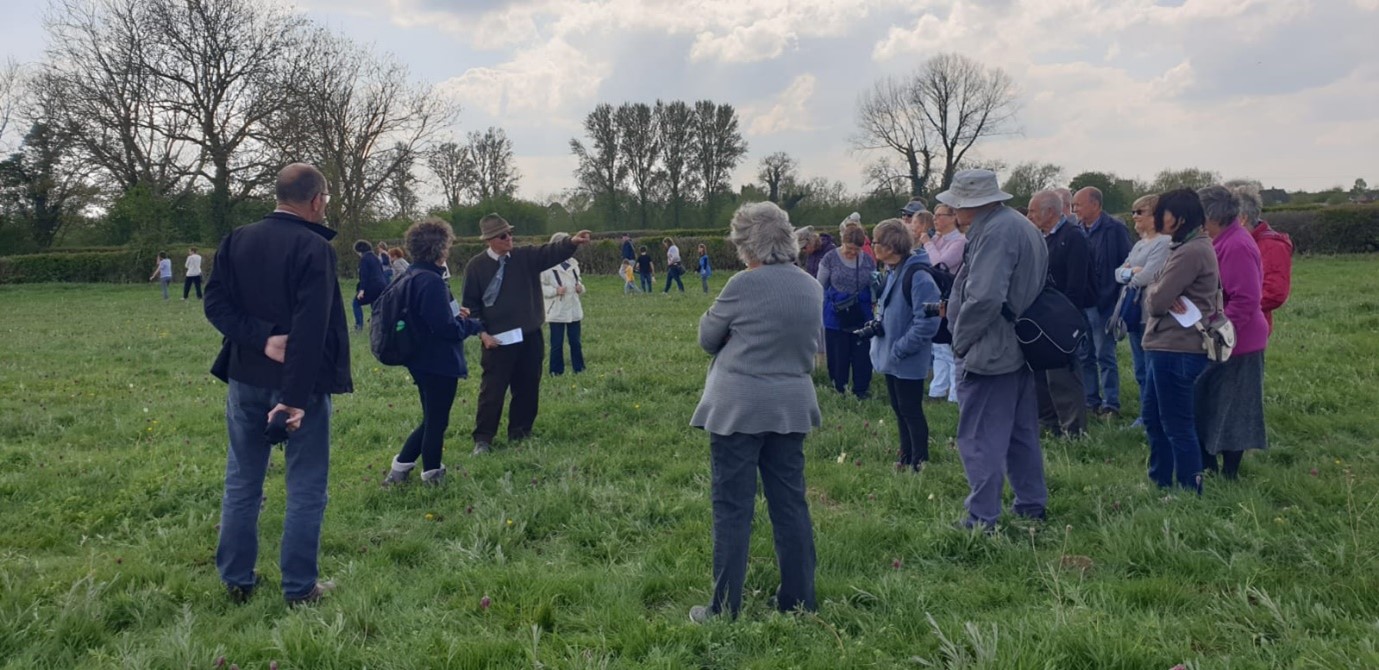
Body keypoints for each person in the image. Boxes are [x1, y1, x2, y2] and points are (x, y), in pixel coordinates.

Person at [203, 163, 352, 606]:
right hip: (298, 388)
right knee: (306, 485)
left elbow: (215, 304)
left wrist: (257, 337)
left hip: (245, 378)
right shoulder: (314, 248)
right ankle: (299, 588)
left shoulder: (237, 239)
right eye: (326, 199)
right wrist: (292, 399)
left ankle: (235, 580)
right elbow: (311, 329)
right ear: (317, 200)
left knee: (242, 481)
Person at [688, 201, 820, 622]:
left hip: (738, 408)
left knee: (732, 507)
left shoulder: (743, 284)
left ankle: (724, 607)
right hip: (791, 405)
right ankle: (799, 599)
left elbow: (709, 338)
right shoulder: (810, 286)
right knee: (791, 505)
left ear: (747, 245)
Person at [941, 169, 1049, 531]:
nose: (954, 211)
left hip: (991, 348)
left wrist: (961, 339)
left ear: (971, 205)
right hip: (1019, 346)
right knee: (1020, 434)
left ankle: (981, 519)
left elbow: (985, 296)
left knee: (980, 436)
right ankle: (1031, 504)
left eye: (957, 204)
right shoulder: (1018, 224)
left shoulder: (996, 231)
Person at [461, 214, 592, 455]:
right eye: (503, 235)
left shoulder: (524, 257)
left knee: (528, 386)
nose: (509, 238)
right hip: (497, 341)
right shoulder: (476, 267)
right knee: (493, 390)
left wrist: (571, 242)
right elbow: (471, 306)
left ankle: (520, 433)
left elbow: (549, 252)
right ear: (489, 240)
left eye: (510, 233)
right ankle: (483, 439)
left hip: (530, 335)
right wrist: (483, 335)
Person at [381, 217, 484, 487]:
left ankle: (400, 470)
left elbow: (426, 316)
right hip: (437, 360)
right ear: (439, 250)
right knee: (437, 422)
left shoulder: (410, 275)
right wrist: (472, 324)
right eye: (447, 246)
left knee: (431, 418)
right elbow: (445, 329)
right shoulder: (432, 281)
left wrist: (454, 315)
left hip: (417, 357)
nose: (448, 250)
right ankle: (432, 475)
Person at [1141, 188, 1219, 492]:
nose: (1159, 218)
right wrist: (1157, 290)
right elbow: (1158, 292)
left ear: (1181, 218)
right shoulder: (1184, 247)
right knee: (1154, 418)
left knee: (1176, 423)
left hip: (1177, 347)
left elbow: (1157, 300)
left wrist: (1155, 291)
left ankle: (1189, 489)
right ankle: (1160, 481)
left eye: (1164, 213)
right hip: (1165, 345)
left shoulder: (1191, 252)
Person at [1196, 185, 1270, 479]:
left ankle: (1229, 474)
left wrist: (1219, 333)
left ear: (1212, 215)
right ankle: (1211, 466)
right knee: (1210, 404)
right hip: (1222, 339)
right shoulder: (1221, 240)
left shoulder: (1237, 245)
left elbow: (1247, 299)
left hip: (1237, 343)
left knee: (1234, 409)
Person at [869, 219, 942, 470]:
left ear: (891, 246)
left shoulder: (919, 276)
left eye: (876, 241)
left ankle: (920, 462)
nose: (873, 245)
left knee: (911, 410)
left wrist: (900, 348)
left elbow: (928, 323)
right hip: (891, 356)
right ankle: (905, 457)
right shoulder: (893, 271)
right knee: (899, 410)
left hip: (906, 357)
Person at [1026, 190, 1091, 438]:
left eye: (1033, 210)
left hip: (1060, 317)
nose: (1029, 215)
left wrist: (1064, 316)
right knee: (1041, 374)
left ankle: (1074, 430)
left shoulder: (1072, 237)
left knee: (1064, 375)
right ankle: (1049, 423)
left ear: (1050, 212)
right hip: (1040, 317)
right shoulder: (1041, 238)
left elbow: (1077, 283)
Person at [1073, 187, 1133, 418]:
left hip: (1105, 303)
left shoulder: (1114, 229)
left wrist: (1115, 298)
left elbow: (1126, 263)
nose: (1075, 209)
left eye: (1079, 204)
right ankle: (1090, 400)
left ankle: (1111, 404)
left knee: (1104, 354)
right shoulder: (1077, 230)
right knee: (1084, 354)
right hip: (1083, 303)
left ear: (1095, 205)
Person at [1118, 194, 1172, 428]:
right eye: (1133, 212)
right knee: (1140, 369)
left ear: (1155, 216)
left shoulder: (1164, 242)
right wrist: (1131, 272)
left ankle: (1156, 415)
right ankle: (1145, 414)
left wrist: (1131, 273)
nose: (1134, 217)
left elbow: (1149, 275)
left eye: (1140, 212)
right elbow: (1118, 273)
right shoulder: (1140, 244)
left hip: (1151, 314)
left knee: (1152, 370)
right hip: (1132, 312)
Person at [817, 223, 877, 399]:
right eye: (849, 249)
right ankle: (839, 388)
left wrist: (873, 299)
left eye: (856, 250)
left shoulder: (868, 261)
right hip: (836, 313)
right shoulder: (829, 258)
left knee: (861, 354)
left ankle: (861, 390)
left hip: (861, 312)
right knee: (838, 354)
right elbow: (820, 285)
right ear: (843, 242)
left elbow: (873, 283)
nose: (852, 253)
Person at [1226, 179, 1293, 332]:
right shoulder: (1231, 241)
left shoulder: (1272, 246)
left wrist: (1233, 307)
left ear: (1242, 218)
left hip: (1249, 326)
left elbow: (1275, 293)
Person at [919, 202, 967, 403]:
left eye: (941, 215)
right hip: (933, 295)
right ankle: (937, 390)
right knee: (937, 346)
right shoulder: (937, 239)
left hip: (950, 296)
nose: (936, 219)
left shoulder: (960, 241)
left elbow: (940, 263)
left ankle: (955, 393)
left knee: (948, 347)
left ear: (953, 217)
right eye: (935, 215)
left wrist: (928, 243)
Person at [541, 232, 586, 375]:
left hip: (573, 308)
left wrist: (580, 288)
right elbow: (539, 287)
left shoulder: (573, 263)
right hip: (557, 309)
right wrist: (555, 290)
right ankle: (556, 371)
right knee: (556, 344)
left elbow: (578, 281)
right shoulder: (546, 266)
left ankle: (579, 369)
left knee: (576, 342)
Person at [352, 240, 387, 332]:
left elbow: (364, 275)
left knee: (356, 303)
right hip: (381, 285)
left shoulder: (364, 259)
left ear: (359, 250)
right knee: (375, 305)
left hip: (371, 286)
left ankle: (359, 326)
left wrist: (361, 290)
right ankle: (378, 325)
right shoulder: (376, 258)